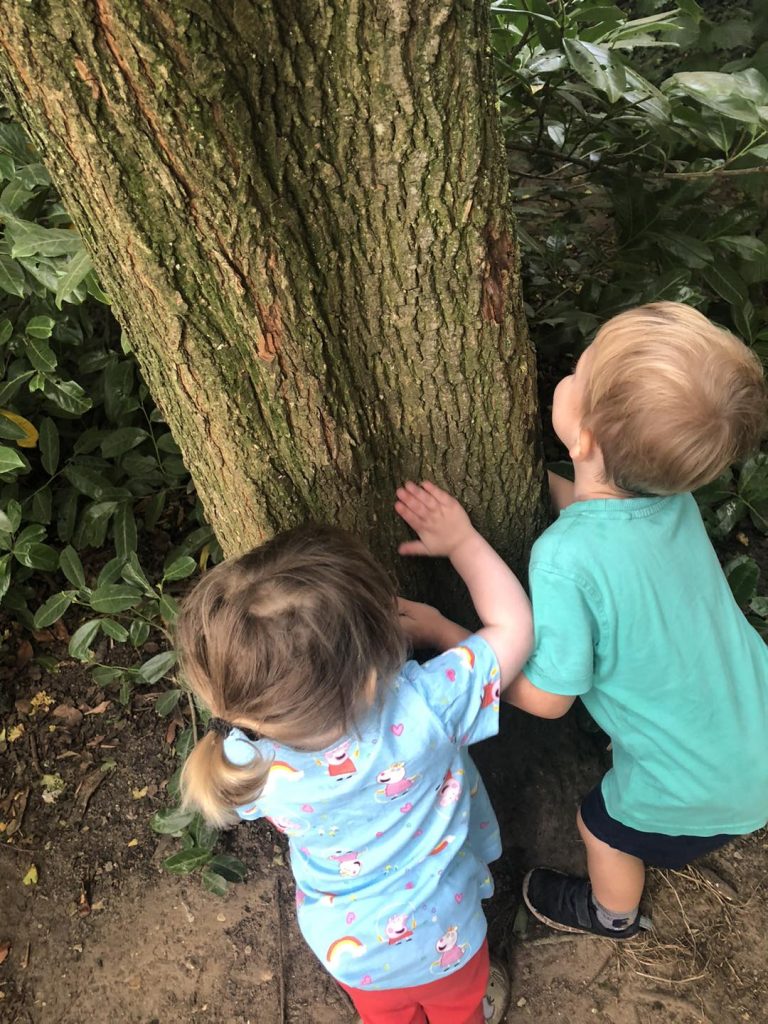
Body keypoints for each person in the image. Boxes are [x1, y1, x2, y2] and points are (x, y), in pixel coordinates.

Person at [177, 481, 533, 1024]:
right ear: (375, 665)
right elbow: (514, 628)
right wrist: (461, 543)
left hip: (350, 952)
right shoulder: (427, 706)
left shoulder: (244, 765)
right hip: (448, 936)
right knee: (462, 1012)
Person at [498, 301, 768, 939]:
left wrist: (461, 652)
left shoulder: (563, 560)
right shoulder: (672, 502)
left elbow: (548, 699)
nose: (565, 376)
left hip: (703, 786)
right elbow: (602, 520)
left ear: (584, 437)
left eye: (578, 373)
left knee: (601, 828)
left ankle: (610, 914)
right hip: (753, 728)